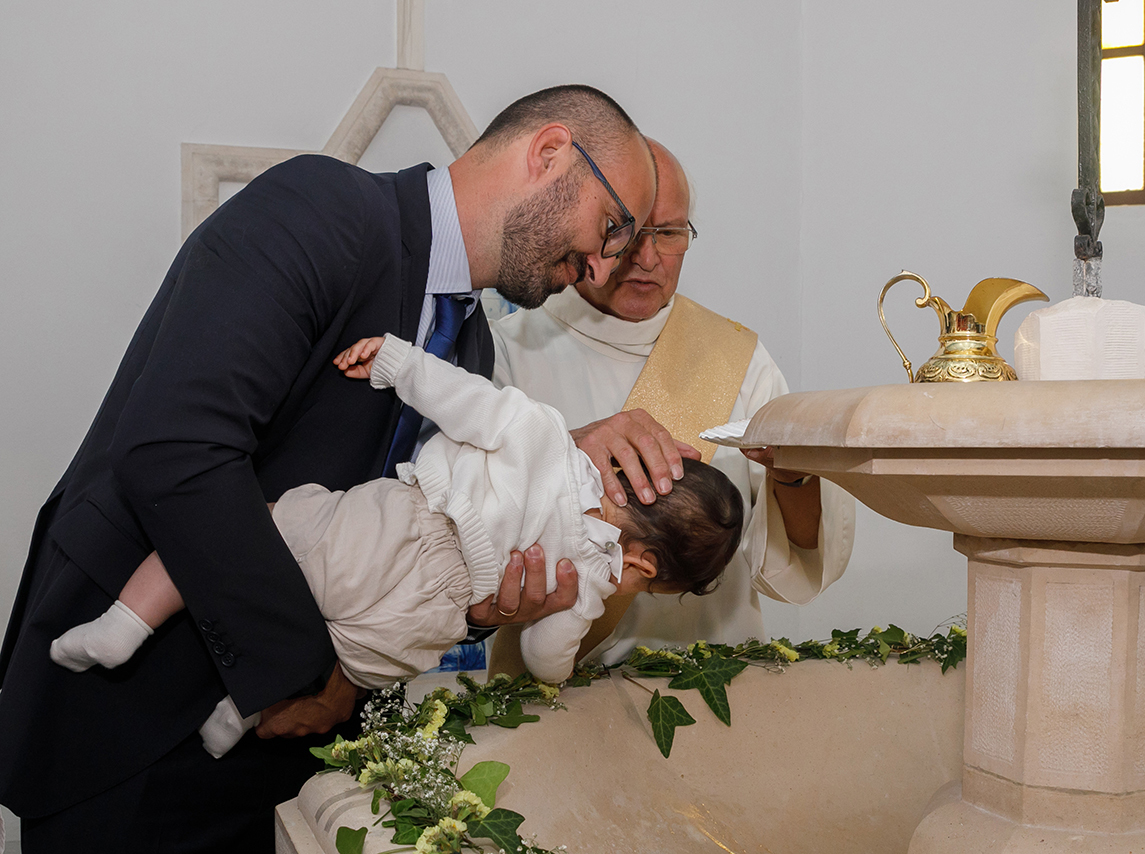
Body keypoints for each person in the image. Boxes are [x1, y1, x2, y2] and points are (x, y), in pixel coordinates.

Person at [0, 84, 683, 852]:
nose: (599, 268)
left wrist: (480, 605)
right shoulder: (319, 208)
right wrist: (311, 678)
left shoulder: (471, 354)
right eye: (612, 229)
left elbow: (383, 547)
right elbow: (178, 450)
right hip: (133, 719)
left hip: (282, 756)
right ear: (550, 150)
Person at [49, 332, 744, 759]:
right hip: (413, 632)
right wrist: (602, 597)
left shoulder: (546, 438)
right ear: (647, 567)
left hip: (396, 532)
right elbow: (543, 657)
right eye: (652, 587)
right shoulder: (581, 585)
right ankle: (238, 717)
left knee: (225, 532)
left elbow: (464, 399)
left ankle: (123, 625)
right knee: (320, 656)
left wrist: (398, 362)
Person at [489, 139, 856, 673]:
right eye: (628, 232)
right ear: (585, 228)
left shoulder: (739, 358)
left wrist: (795, 477)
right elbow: (463, 519)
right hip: (547, 695)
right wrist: (565, 453)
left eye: (670, 234)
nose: (647, 257)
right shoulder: (510, 348)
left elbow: (794, 558)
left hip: (714, 684)